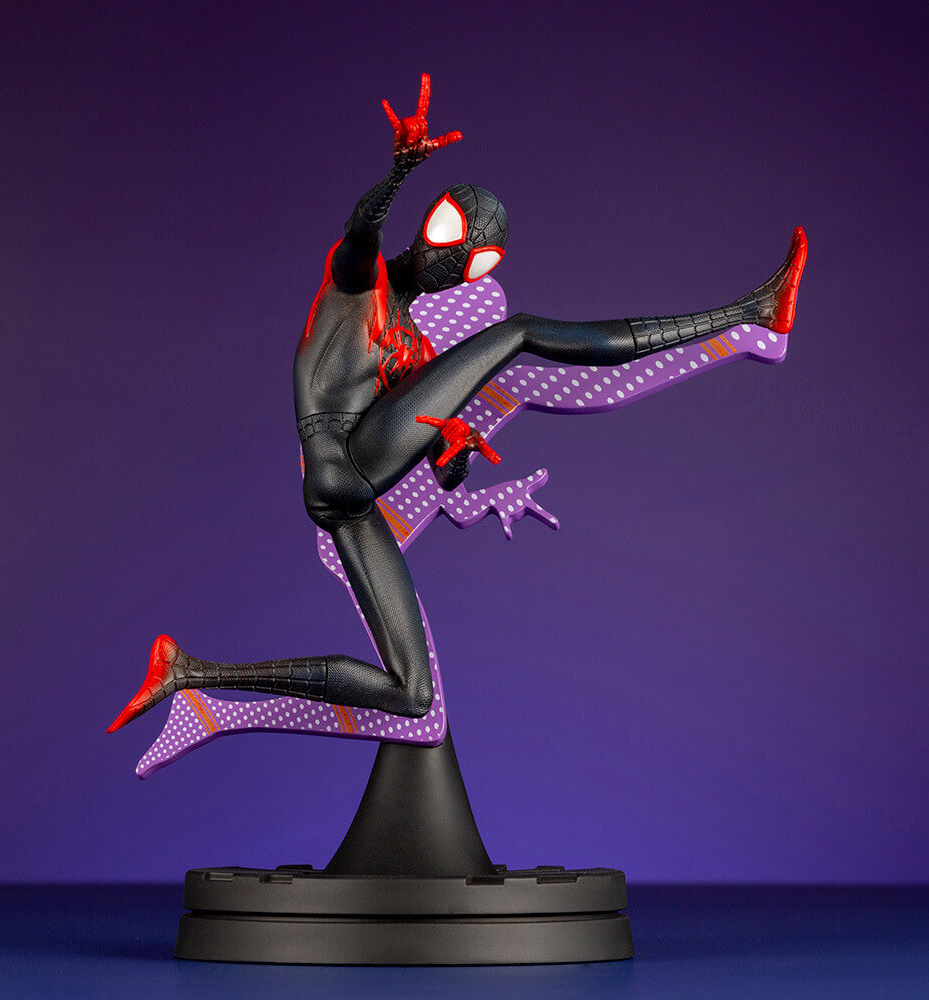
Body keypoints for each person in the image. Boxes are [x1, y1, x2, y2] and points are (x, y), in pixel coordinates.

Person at [108, 74, 806, 733]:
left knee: (411, 694)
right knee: (519, 332)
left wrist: (454, 454)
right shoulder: (359, 286)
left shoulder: (414, 348)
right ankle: (749, 311)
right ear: (429, 222)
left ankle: (190, 672)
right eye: (451, 234)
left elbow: (435, 470)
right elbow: (360, 236)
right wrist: (398, 174)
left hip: (347, 498)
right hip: (340, 460)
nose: (453, 261)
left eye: (475, 261)